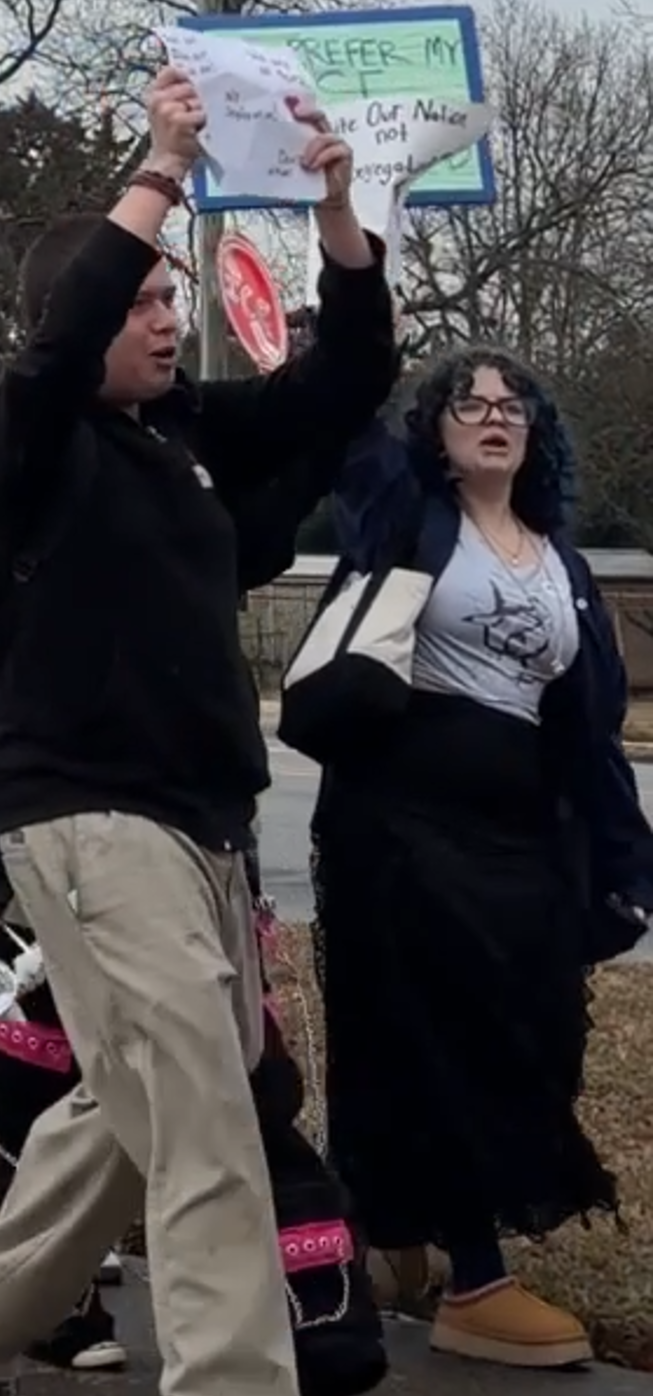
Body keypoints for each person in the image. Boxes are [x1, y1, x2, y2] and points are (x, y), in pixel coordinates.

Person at [0, 67, 397, 1396]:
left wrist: (339, 210)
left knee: (132, 1109)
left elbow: (348, 376)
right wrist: (162, 165)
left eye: (173, 298)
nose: (166, 322)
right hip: (86, 819)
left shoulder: (177, 435)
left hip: (201, 827)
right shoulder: (30, 439)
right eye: (139, 302)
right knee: (208, 1125)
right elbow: (56, 348)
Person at [310, 347, 653, 1368]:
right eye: (468, 402)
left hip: (517, 843)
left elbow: (586, 732)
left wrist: (623, 867)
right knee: (423, 1035)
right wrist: (346, 287)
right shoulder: (405, 516)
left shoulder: (558, 561)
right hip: (401, 832)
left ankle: (382, 1233)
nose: (492, 416)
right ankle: (470, 1276)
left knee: (526, 1033)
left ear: (535, 430)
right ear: (437, 430)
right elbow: (348, 436)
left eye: (512, 404)